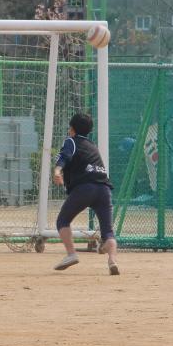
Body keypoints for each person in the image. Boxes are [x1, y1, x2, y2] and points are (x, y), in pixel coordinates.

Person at [51, 113, 119, 275]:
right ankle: (112, 261)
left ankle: (71, 254)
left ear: (72, 129)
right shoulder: (92, 145)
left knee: (62, 220)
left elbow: (64, 156)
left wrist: (57, 171)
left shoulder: (71, 141)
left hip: (85, 188)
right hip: (104, 189)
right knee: (108, 232)